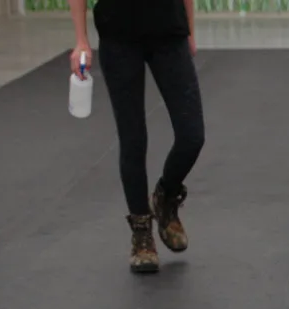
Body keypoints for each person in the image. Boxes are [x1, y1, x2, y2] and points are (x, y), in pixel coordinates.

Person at [69, 0, 205, 273]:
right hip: (118, 36)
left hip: (169, 33)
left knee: (192, 136)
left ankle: (166, 196)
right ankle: (142, 233)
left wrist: (190, 30)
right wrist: (81, 41)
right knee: (133, 139)